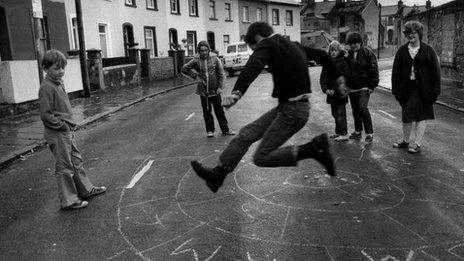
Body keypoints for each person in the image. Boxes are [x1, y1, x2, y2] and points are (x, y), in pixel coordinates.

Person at [190, 22, 346, 193]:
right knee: (245, 135)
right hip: (287, 108)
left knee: (261, 157)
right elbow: (323, 55)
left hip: (293, 112)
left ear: (257, 38)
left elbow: (254, 64)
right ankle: (218, 175)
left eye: (254, 48)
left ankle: (313, 149)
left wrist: (237, 92)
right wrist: (338, 78)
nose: (257, 52)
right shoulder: (292, 45)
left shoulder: (268, 44)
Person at [39, 49, 106, 210]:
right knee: (64, 166)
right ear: (45, 68)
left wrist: (69, 124)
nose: (61, 71)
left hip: (66, 130)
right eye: (56, 68)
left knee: (76, 161)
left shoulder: (58, 82)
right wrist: (62, 125)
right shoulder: (47, 87)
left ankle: (85, 190)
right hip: (57, 132)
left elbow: (61, 108)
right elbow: (46, 115)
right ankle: (69, 200)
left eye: (62, 68)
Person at [391, 21, 441, 154]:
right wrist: (395, 89)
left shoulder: (428, 50)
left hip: (424, 90)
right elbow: (395, 71)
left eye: (413, 33)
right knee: (406, 115)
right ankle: (406, 141)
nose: (410, 36)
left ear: (419, 33)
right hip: (406, 89)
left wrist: (435, 91)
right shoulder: (402, 51)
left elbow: (436, 72)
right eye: (408, 33)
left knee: (421, 116)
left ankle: (417, 144)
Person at [181, 41, 235, 138]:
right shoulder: (196, 60)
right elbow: (184, 69)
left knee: (219, 111)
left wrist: (220, 87)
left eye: (206, 50)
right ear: (199, 51)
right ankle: (210, 130)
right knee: (207, 111)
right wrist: (195, 75)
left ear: (208, 50)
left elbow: (221, 74)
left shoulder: (215, 59)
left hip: (215, 90)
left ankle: (225, 129)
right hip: (203, 92)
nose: (204, 52)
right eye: (202, 51)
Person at [346, 32, 379, 143]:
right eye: (351, 43)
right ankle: (358, 131)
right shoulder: (348, 54)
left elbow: (374, 69)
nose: (353, 45)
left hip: (364, 87)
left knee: (362, 108)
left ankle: (369, 133)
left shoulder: (368, 53)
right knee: (355, 110)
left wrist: (372, 85)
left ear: (360, 42)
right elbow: (345, 70)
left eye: (355, 43)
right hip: (352, 88)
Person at [320, 40, 351, 142]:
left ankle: (343, 134)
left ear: (339, 51)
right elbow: (323, 78)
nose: (333, 52)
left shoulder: (343, 62)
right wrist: (326, 89)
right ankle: (338, 132)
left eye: (336, 50)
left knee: (340, 114)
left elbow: (344, 77)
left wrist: (333, 89)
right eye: (332, 50)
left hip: (341, 93)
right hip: (331, 94)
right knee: (335, 114)